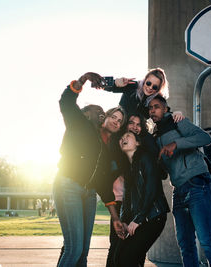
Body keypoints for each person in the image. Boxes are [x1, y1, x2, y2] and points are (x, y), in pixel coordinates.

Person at [54, 72, 126, 267]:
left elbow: (103, 184)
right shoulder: (78, 124)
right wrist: (83, 79)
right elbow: (66, 102)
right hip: (68, 186)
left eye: (103, 111)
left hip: (89, 193)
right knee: (73, 249)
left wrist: (115, 218)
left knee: (84, 252)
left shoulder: (104, 148)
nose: (100, 112)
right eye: (96, 111)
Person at [148, 95, 211, 267]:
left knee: (206, 239)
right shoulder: (155, 136)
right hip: (179, 190)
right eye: (150, 108)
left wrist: (176, 144)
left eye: (157, 107)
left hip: (196, 183)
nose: (153, 110)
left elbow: (205, 139)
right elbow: (163, 171)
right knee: (185, 243)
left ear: (166, 108)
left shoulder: (178, 121)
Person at [105, 113, 160, 267]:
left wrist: (139, 217)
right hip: (120, 204)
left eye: (138, 124)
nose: (135, 127)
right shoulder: (119, 148)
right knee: (117, 249)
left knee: (133, 254)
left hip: (138, 208)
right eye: (131, 123)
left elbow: (152, 185)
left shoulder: (143, 156)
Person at [113, 132, 170, 267]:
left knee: (128, 259)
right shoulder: (128, 167)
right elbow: (127, 199)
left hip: (154, 217)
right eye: (122, 137)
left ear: (137, 143)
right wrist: (125, 221)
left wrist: (138, 219)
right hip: (139, 218)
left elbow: (151, 191)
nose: (123, 139)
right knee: (118, 258)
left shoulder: (146, 158)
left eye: (128, 136)